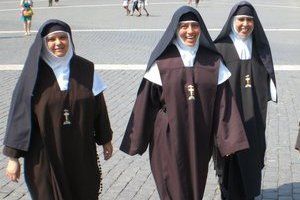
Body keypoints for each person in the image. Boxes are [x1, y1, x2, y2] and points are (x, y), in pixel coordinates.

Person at [120, 6, 249, 200]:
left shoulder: (213, 62)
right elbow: (145, 104)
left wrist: (228, 141)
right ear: (175, 29)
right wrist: (136, 139)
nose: (190, 31)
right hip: (167, 136)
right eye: (184, 26)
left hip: (200, 135)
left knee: (195, 183)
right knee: (171, 183)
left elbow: (225, 106)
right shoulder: (162, 62)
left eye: (194, 26)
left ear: (201, 29)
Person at [4, 19, 113, 200]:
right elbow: (20, 117)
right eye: (52, 40)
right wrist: (13, 158)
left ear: (69, 39)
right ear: (43, 43)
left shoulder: (86, 68)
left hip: (81, 151)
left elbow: (99, 108)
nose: (58, 43)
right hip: (45, 155)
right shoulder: (33, 74)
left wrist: (105, 139)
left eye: (63, 38)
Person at [213, 1, 277, 199]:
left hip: (254, 118)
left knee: (252, 159)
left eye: (250, 20)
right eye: (241, 19)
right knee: (229, 165)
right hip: (228, 120)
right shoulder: (220, 48)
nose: (245, 24)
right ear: (232, 21)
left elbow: (269, 82)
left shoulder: (260, 48)